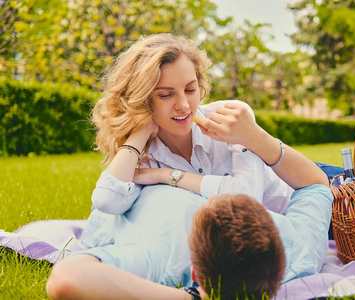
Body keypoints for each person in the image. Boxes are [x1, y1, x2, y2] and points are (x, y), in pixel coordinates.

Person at [46, 33, 332, 299]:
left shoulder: (228, 121)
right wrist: (140, 132)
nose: (184, 105)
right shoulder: (294, 255)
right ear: (143, 101)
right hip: (292, 187)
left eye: (191, 89)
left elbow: (245, 200)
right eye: (166, 94)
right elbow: (107, 201)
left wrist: (167, 176)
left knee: (346, 187)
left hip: (277, 177)